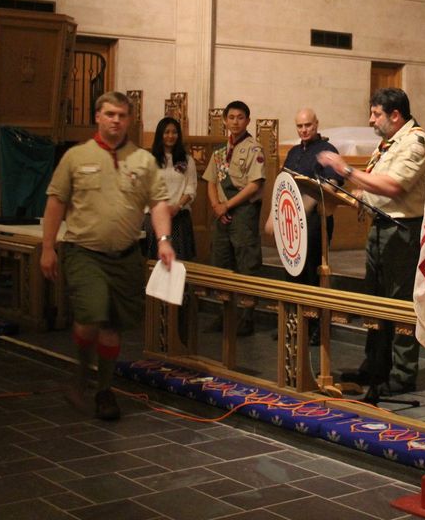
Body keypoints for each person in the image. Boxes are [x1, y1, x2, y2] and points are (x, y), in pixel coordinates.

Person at [41, 91, 176, 421]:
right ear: (98, 117)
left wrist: (163, 240)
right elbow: (56, 202)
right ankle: (79, 376)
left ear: (129, 120)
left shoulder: (143, 160)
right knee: (92, 314)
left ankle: (104, 390)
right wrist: (47, 247)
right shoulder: (76, 157)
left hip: (125, 255)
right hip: (84, 252)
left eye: (122, 115)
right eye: (110, 114)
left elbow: (158, 203)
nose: (116, 120)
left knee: (112, 326)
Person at [318, 87, 425, 395]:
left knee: (399, 303)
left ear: (395, 115)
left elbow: (393, 186)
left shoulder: (416, 142)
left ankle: (403, 373)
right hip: (380, 226)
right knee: (375, 301)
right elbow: (374, 185)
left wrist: (345, 169)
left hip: (402, 231)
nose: (370, 120)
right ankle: (375, 366)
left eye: (376, 114)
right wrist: (347, 195)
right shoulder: (389, 142)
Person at [274, 108, 342, 344]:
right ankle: (294, 326)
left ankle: (315, 328)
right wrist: (273, 217)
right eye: (300, 126)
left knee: (311, 274)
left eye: (308, 125)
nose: (303, 130)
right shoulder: (294, 152)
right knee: (292, 272)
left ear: (316, 124)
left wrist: (308, 204)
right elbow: (282, 185)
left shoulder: (327, 150)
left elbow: (332, 185)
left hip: (314, 222)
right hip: (290, 222)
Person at [203, 100, 266, 335]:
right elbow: (211, 181)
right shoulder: (220, 152)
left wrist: (226, 206)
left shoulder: (254, 149)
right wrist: (216, 206)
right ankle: (224, 315)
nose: (235, 122)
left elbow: (254, 185)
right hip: (222, 213)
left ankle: (247, 318)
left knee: (246, 263)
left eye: (240, 117)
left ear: (247, 120)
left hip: (243, 213)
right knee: (221, 264)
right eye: (231, 117)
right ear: (225, 120)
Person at [147, 116, 197, 261]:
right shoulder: (149, 159)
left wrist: (177, 206)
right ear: (160, 134)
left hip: (179, 216)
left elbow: (191, 188)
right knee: (154, 261)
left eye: (174, 132)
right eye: (166, 132)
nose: (170, 136)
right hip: (154, 217)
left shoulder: (187, 160)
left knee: (178, 261)